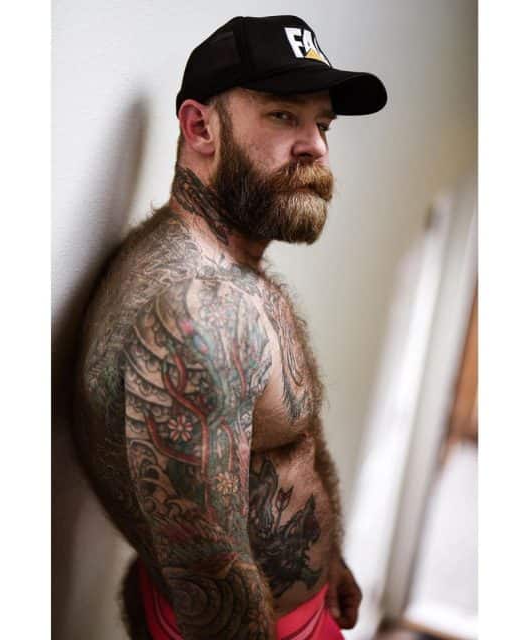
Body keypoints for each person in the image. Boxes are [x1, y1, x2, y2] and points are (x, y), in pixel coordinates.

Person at [73, 14, 387, 640]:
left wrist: (329, 560)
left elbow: (282, 440)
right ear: (200, 128)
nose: (316, 146)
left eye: (322, 124)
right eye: (283, 115)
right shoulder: (197, 317)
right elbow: (212, 589)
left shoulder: (226, 265)